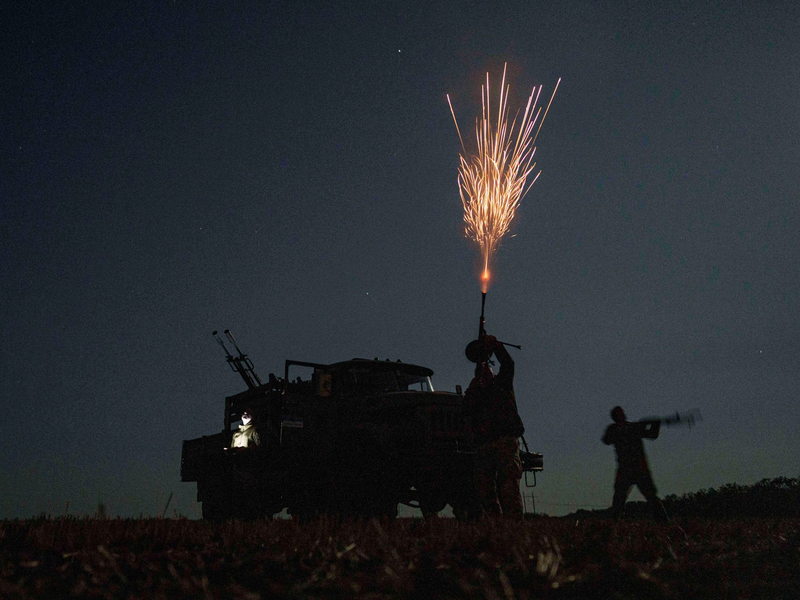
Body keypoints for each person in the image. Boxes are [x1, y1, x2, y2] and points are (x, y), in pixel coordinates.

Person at [465, 334, 525, 519]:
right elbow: (467, 411)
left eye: (487, 369)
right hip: (484, 444)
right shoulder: (476, 394)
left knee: (508, 485)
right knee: (485, 490)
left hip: (504, 440)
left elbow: (508, 363)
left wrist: (496, 346)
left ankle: (514, 525)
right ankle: (495, 525)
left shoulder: (502, 384)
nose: (485, 372)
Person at [602, 406, 668, 523]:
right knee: (619, 500)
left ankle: (663, 523)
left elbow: (652, 435)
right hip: (628, 469)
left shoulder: (633, 427)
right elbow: (606, 439)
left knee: (651, 498)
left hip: (637, 469)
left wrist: (656, 424)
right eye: (620, 412)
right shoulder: (617, 429)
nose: (623, 414)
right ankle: (614, 524)